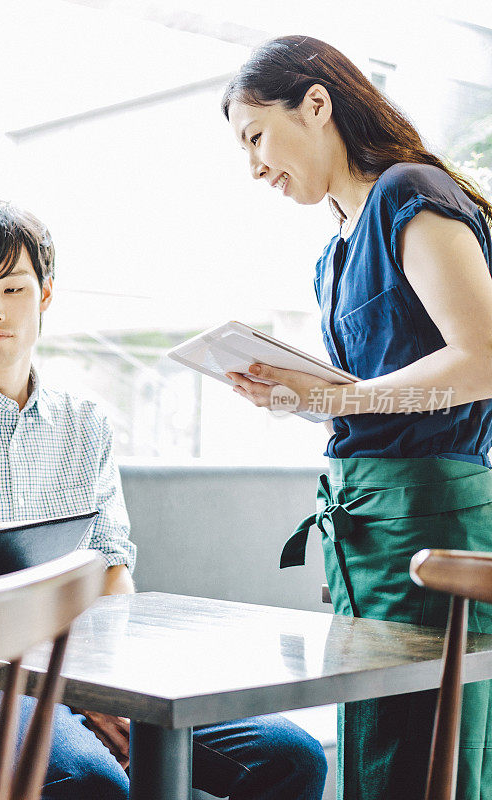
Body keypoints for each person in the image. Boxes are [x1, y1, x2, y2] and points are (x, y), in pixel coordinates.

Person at [0, 195, 328, 800]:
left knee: (292, 758)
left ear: (46, 295)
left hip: (89, 664)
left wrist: (108, 690)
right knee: (89, 781)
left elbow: (112, 571)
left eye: (11, 289)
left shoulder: (85, 422)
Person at [222, 34, 492, 800]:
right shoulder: (334, 249)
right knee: (374, 753)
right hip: (364, 525)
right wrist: (301, 396)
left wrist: (337, 398)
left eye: (257, 137)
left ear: (316, 104)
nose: (255, 166)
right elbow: (393, 392)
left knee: (427, 753)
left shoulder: (410, 193)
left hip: (428, 521)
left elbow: (484, 360)